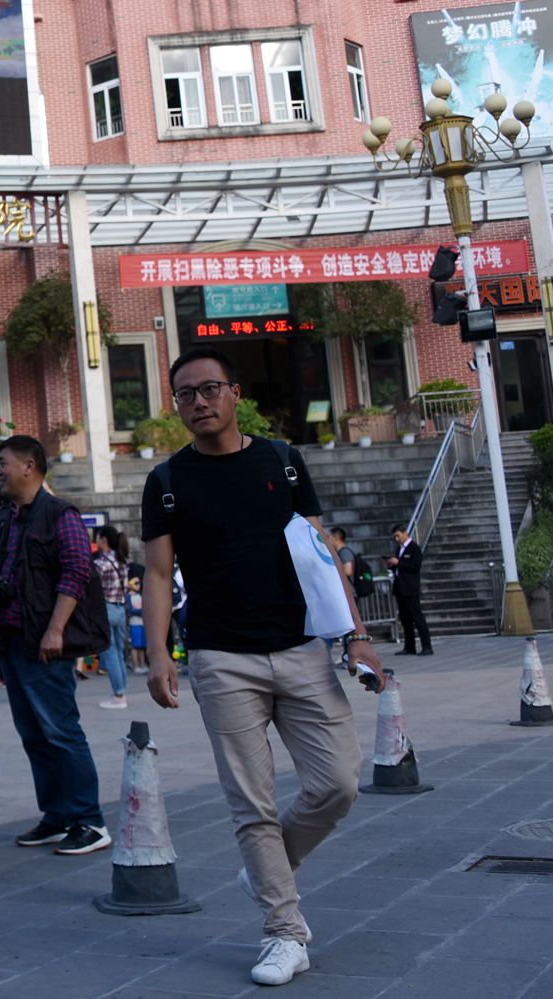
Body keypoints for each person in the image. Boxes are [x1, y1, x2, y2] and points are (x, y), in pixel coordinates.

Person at [141, 349, 378, 988]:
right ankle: (283, 931)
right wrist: (159, 653)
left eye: (210, 388)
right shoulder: (167, 481)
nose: (199, 402)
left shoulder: (282, 460)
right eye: (186, 394)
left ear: (235, 393)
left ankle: (266, 869)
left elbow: (321, 553)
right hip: (221, 658)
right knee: (252, 804)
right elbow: (158, 573)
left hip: (300, 647)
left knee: (339, 783)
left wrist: (356, 636)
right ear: (177, 404)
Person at [0, 435, 110, 858]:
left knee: (61, 731)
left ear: (29, 466)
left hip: (43, 642)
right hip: (10, 641)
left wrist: (55, 630)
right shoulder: (3, 520)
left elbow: (76, 572)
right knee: (34, 734)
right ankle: (57, 815)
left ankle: (90, 821)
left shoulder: (61, 515)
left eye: (3, 463)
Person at [91, 526, 131, 710]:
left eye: (98, 537)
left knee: (110, 651)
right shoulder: (122, 560)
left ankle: (119, 695)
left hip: (107, 608)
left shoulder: (101, 563)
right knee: (119, 652)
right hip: (121, 609)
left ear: (104, 539)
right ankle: (122, 691)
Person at [387, 525, 432, 656]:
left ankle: (426, 645)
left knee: (417, 617)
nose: (397, 539)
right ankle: (409, 646)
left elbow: (415, 567)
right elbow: (400, 567)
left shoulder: (414, 548)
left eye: (398, 536)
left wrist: (399, 563)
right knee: (405, 619)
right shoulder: (399, 549)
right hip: (400, 588)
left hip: (410, 588)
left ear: (405, 533)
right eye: (395, 537)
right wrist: (392, 565)